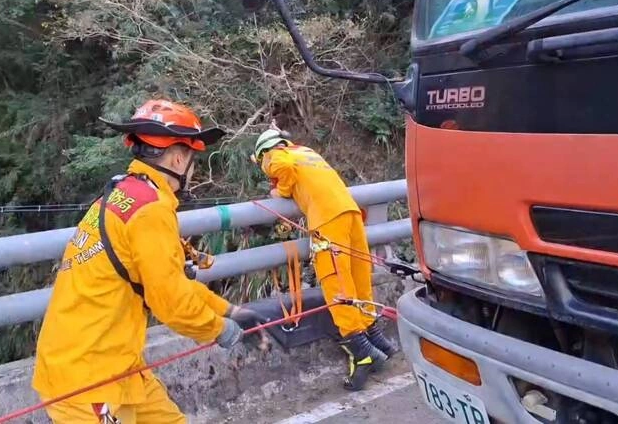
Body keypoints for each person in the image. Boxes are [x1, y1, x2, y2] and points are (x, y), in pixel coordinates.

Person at [32, 99, 266, 424]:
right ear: (178, 157)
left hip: (118, 366)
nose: (193, 170)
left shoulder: (122, 193)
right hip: (88, 381)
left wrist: (231, 311)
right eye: (193, 161)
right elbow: (171, 303)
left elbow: (169, 283)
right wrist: (223, 330)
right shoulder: (150, 210)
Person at [252, 128, 399, 391]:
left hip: (327, 221)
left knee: (337, 286)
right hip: (350, 213)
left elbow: (282, 167)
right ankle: (378, 342)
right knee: (357, 281)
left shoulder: (275, 155)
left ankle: (361, 352)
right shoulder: (307, 152)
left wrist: (281, 191)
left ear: (264, 150)